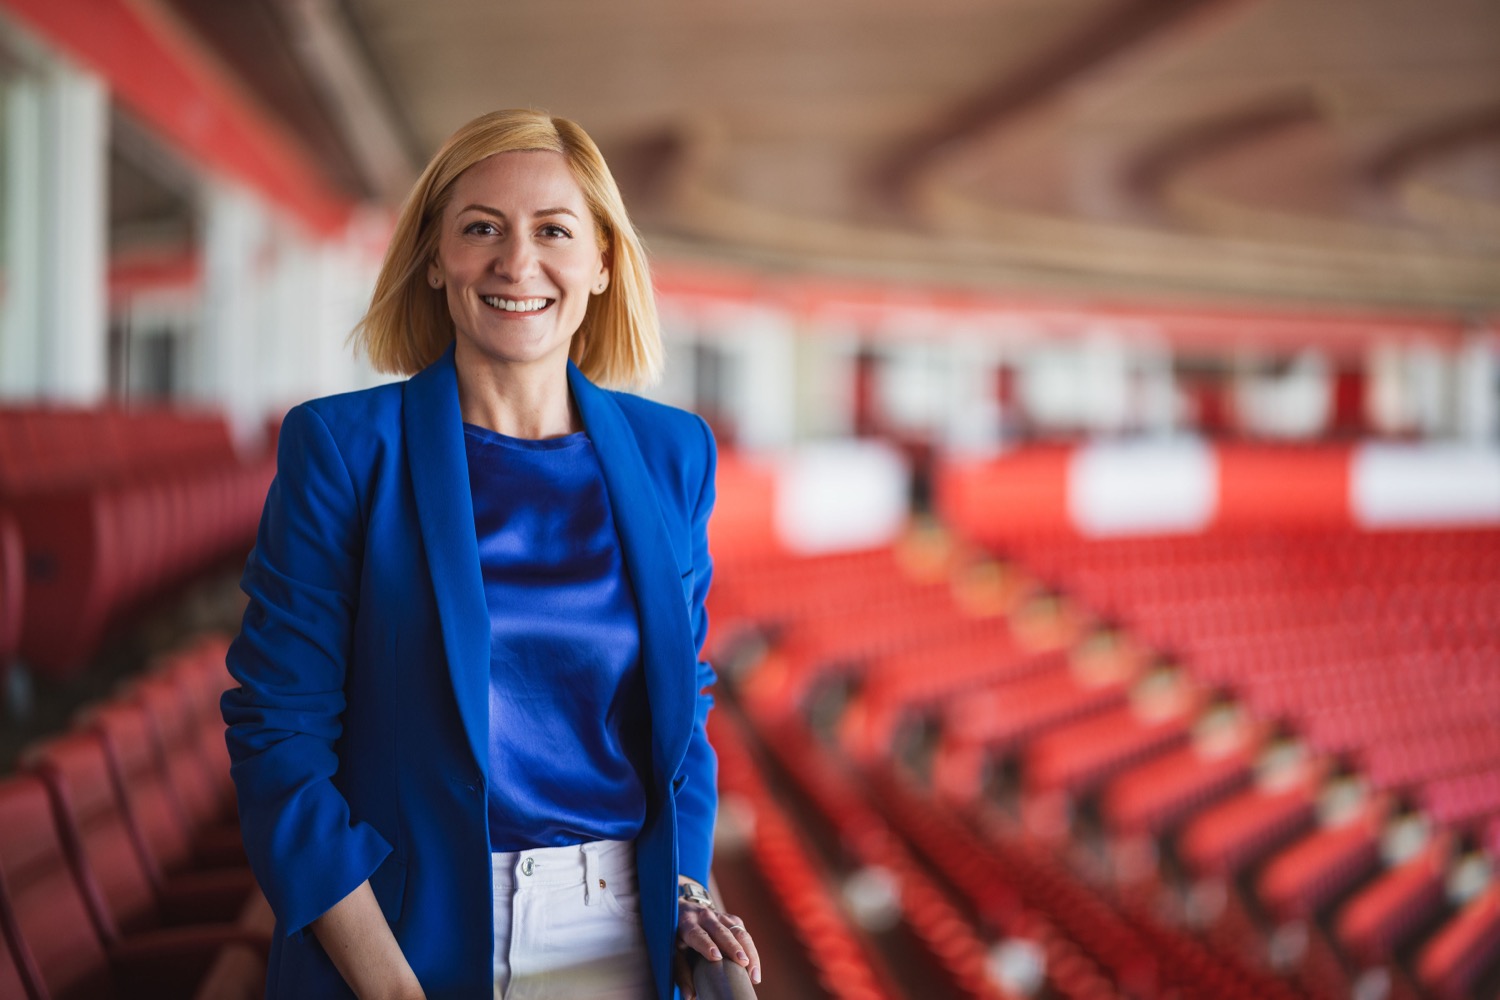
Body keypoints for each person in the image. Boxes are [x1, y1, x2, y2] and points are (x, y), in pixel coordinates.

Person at [222, 109, 759, 1000]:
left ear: (601, 264)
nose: (518, 263)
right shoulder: (344, 449)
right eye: (482, 229)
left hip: (621, 936)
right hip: (403, 944)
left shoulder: (676, 454)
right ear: (435, 259)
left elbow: (681, 721)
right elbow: (277, 736)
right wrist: (389, 987)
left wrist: (687, 887)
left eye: (554, 230)